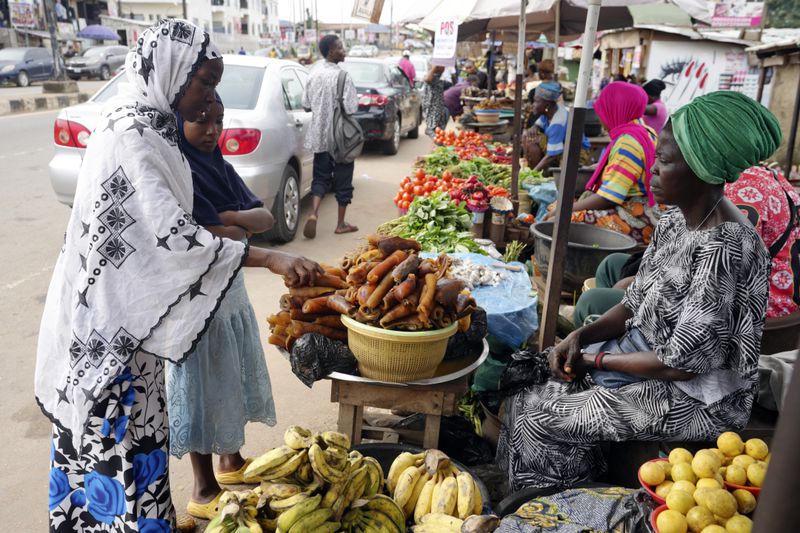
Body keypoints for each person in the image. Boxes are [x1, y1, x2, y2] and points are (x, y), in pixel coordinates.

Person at [36, 20, 321, 530]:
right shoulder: (131, 133)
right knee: (116, 444)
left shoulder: (150, 121)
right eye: (205, 83)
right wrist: (273, 259)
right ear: (171, 72)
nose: (210, 97)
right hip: (110, 327)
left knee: (142, 438)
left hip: (133, 323)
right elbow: (173, 236)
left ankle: (148, 519)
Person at [498, 90, 780, 491]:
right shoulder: (675, 221)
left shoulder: (726, 246)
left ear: (703, 169)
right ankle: (547, 495)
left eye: (664, 162)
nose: (653, 172)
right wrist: (580, 336)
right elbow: (634, 302)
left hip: (698, 396)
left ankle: (561, 510)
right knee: (529, 386)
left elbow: (680, 364)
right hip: (643, 354)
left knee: (543, 417)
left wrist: (596, 362)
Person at [167, 93, 280, 520]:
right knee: (200, 381)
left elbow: (264, 219)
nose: (212, 130)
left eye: (218, 120)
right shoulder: (178, 169)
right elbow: (204, 235)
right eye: (200, 120)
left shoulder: (221, 167)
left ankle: (230, 463)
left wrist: (230, 216)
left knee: (229, 369)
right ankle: (202, 486)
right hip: (194, 296)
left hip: (229, 291)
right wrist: (234, 225)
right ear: (178, 121)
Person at [574, 164, 800, 327]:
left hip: (748, 317)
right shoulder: (760, 176)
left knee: (592, 302)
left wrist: (638, 286)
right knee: (613, 265)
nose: (655, 168)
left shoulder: (743, 195)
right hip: (744, 298)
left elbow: (711, 279)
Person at [546, 82, 662, 246]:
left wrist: (567, 210)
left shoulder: (628, 143)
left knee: (558, 219)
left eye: (603, 112)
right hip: (648, 211)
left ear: (614, 110)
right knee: (557, 207)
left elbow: (608, 197)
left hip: (637, 218)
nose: (601, 119)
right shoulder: (644, 130)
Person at [301, 34, 359, 239]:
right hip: (341, 138)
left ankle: (314, 213)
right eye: (341, 48)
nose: (344, 51)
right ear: (331, 52)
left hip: (319, 136)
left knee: (320, 178)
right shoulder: (343, 76)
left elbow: (306, 104)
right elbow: (351, 108)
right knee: (344, 179)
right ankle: (341, 223)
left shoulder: (313, 74)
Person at [522, 81, 591, 172]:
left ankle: (541, 175)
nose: (533, 105)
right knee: (530, 136)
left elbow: (552, 155)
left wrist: (533, 173)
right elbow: (541, 121)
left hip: (577, 154)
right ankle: (543, 172)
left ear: (547, 105)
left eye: (536, 101)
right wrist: (535, 126)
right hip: (564, 148)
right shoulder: (551, 110)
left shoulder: (558, 122)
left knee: (532, 140)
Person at [423, 65, 448, 138]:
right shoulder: (431, 77)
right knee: (433, 128)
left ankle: (438, 145)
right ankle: (431, 132)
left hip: (439, 106)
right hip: (433, 106)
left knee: (440, 128)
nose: (444, 68)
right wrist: (434, 68)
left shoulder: (438, 76)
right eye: (443, 66)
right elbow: (427, 79)